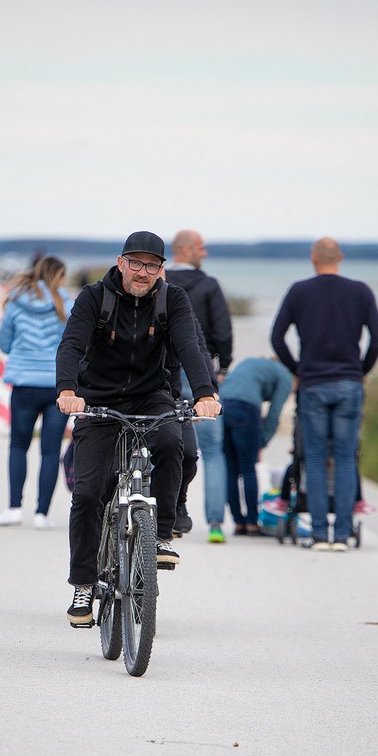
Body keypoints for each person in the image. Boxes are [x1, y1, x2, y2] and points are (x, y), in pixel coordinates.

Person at [56, 230, 221, 627]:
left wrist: (205, 393)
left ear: (161, 269)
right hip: (98, 399)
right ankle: (82, 585)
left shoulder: (172, 299)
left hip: (152, 394)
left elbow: (189, 347)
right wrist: (67, 390)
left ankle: (160, 534)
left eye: (151, 265)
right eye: (135, 263)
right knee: (89, 492)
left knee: (171, 442)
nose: (142, 272)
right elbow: (72, 344)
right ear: (120, 262)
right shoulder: (94, 298)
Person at [271, 237, 378, 551]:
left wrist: (298, 369)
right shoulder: (360, 291)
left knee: (316, 460)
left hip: (313, 384)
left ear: (313, 258)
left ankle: (319, 535)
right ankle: (343, 534)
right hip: (349, 383)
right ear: (341, 257)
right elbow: (377, 339)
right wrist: (361, 370)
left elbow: (277, 337)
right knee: (346, 459)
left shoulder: (299, 291)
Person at [0, 256, 74, 529]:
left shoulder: (16, 302)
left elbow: (4, 344)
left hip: (24, 384)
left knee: (18, 445)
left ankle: (14, 508)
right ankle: (42, 514)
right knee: (50, 451)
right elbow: (74, 345)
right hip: (57, 387)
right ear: (58, 276)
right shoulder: (66, 303)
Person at [166, 229, 234, 542]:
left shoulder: (159, 283)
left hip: (162, 370)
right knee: (212, 451)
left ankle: (164, 511)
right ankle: (216, 523)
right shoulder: (209, 285)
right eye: (201, 248)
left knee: (162, 440)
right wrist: (223, 367)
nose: (205, 253)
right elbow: (222, 331)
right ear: (184, 249)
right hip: (200, 372)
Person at [220, 356, 293, 535]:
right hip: (246, 409)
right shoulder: (285, 375)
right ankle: (252, 522)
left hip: (222, 406)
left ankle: (238, 523)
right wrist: (262, 442)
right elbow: (275, 412)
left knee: (230, 469)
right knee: (248, 468)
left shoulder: (252, 362)